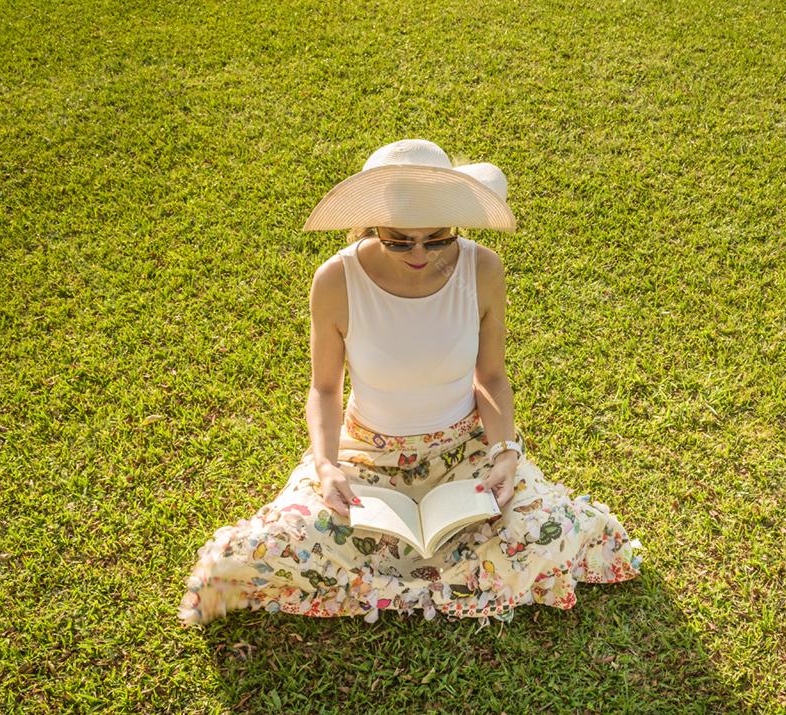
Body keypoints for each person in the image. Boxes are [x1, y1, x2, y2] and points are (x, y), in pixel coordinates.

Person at [178, 139, 644, 628]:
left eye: (437, 239)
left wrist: (506, 452)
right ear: (372, 225)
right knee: (265, 546)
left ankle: (396, 573)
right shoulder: (336, 279)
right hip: (364, 456)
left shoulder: (483, 268)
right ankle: (452, 574)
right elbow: (325, 390)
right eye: (399, 240)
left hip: (465, 450)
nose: (419, 253)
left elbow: (490, 377)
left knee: (552, 529)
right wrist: (325, 466)